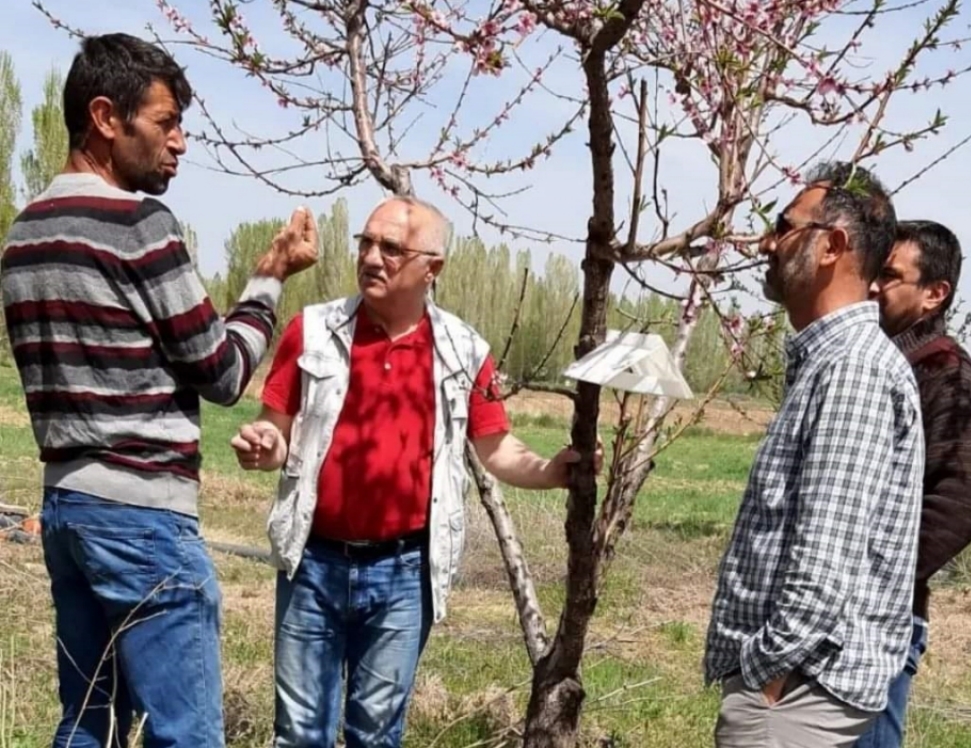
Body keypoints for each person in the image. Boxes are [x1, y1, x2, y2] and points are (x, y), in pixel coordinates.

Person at [0, 33, 317, 748]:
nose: (180, 143)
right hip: (143, 521)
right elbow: (225, 373)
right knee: (185, 734)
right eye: (165, 122)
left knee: (85, 725)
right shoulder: (140, 227)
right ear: (106, 118)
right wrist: (269, 278)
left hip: (66, 508)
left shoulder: (24, 235)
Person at [230, 194, 601, 748]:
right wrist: (266, 445)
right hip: (313, 563)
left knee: (377, 735)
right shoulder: (311, 331)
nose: (372, 258)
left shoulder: (462, 349)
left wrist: (552, 470)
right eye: (366, 243)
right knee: (300, 733)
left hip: (404, 574)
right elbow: (277, 430)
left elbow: (494, 446)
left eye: (391, 248)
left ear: (432, 268)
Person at [702, 161, 925, 747]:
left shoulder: (852, 369)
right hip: (795, 687)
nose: (769, 243)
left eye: (785, 226)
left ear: (833, 246)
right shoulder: (830, 362)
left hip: (795, 694)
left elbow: (824, 558)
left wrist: (766, 674)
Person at [854, 220, 971, 747]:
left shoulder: (943, 370)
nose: (871, 287)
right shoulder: (881, 362)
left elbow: (964, 496)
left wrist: (879, 577)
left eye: (889, 276)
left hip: (880, 622)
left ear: (934, 293)